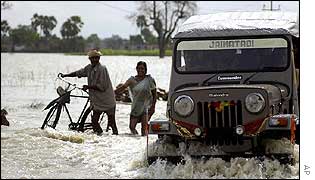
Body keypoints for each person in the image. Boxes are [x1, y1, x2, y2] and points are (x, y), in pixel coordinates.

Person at [60, 50, 118, 135]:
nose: (95, 59)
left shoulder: (102, 69)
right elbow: (79, 72)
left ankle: (112, 138)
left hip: (107, 99)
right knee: (94, 121)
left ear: (99, 58)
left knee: (112, 123)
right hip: (97, 100)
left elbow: (102, 86)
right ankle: (100, 138)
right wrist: (66, 75)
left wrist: (88, 87)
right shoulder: (89, 68)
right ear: (89, 59)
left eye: (97, 58)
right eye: (93, 58)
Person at [114, 61, 157, 136]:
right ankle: (136, 140)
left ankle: (143, 143)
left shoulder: (149, 80)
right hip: (135, 106)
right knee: (132, 127)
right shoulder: (132, 80)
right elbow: (123, 87)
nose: (140, 70)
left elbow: (154, 94)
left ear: (145, 70)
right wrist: (113, 93)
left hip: (146, 107)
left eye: (142, 69)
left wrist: (153, 107)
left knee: (144, 130)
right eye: (139, 68)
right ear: (136, 69)